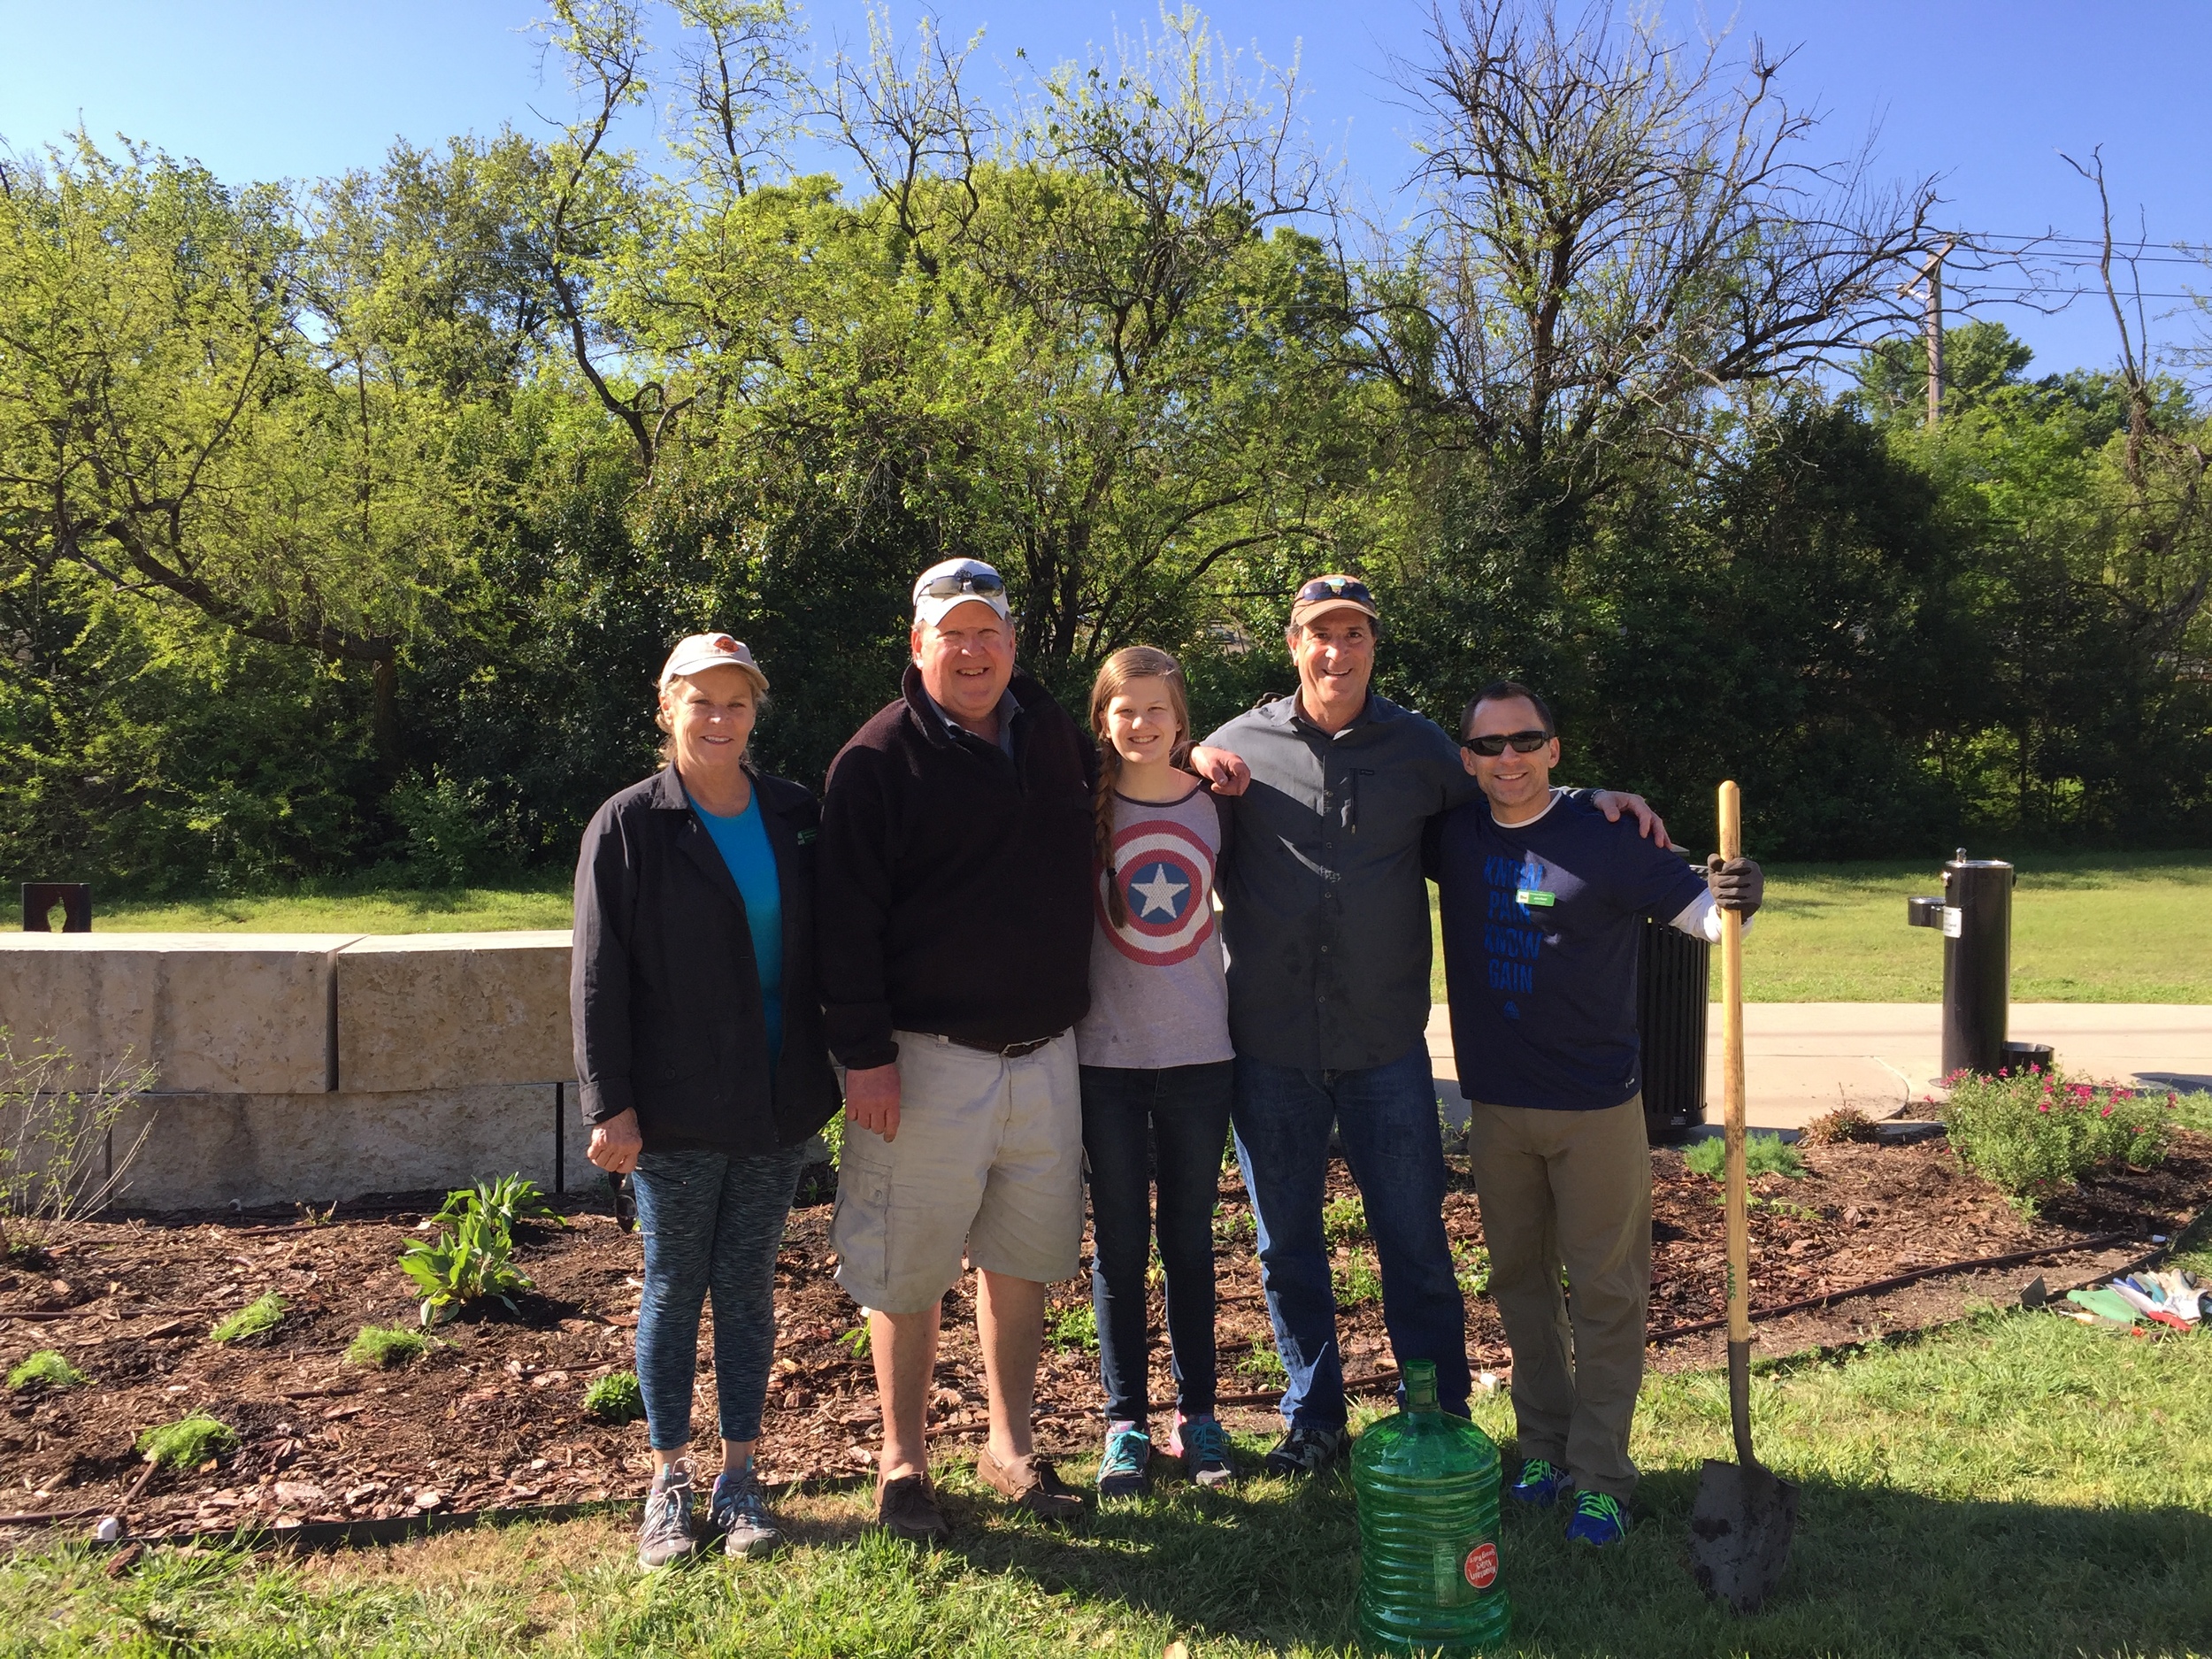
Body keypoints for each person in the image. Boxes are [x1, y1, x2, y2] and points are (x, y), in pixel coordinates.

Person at [1185, 574, 1663, 1478]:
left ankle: (1435, 1412)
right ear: (1293, 645)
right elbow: (1144, 798)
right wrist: (1181, 762)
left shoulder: (1422, 751)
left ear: (1373, 645)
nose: (1337, 651)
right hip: (1270, 1047)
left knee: (1413, 1240)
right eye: (1320, 634)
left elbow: (1511, 792)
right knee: (1287, 1247)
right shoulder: (1231, 751)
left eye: (1354, 633)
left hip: (1384, 1049)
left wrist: (1598, 798)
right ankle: (1313, 1416)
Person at [1432, 680, 1762, 1548]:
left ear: (1553, 748)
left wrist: (1736, 896)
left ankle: (1603, 1475)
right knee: (1521, 1285)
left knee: (1608, 1293)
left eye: (1525, 741)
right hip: (1498, 1108)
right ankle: (1540, 1446)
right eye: (1489, 746)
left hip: (1597, 1108)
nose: (1508, 759)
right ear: (1467, 759)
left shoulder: (1606, 836)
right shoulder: (1453, 834)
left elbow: (1709, 923)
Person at [816, 557, 1097, 1540]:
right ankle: (901, 1464)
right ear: (918, 645)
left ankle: (1011, 1444)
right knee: (905, 1269)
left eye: (989, 633)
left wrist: (1203, 766)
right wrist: (864, 1057)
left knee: (1021, 1263)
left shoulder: (1054, 733)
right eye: (953, 633)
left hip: (1047, 1056)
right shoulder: (876, 760)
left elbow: (1128, 789)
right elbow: (842, 925)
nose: (973, 651)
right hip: (925, 1060)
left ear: (1013, 643)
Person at [571, 633, 842, 1569]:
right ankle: (667, 1481)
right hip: (676, 1110)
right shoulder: (629, 825)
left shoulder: (796, 814)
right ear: (666, 709)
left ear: (755, 711)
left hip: (777, 1102)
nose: (719, 719)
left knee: (748, 1290)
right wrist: (610, 1105)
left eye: (736, 702)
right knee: (673, 1288)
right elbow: (598, 978)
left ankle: (739, 1477)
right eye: (701, 702)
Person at [1074, 647, 1238, 1496]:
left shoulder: (1218, 807)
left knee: (1189, 1241)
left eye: (1157, 710)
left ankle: (1199, 1414)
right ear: (1103, 718)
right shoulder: (1081, 808)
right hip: (1105, 1061)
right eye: (1124, 710)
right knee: (1120, 1246)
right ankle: (1124, 1422)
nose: (1141, 724)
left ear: (1182, 719)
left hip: (1201, 1058)